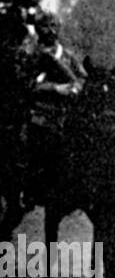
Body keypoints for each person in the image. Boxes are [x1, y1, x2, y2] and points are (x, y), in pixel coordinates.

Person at [19, 10, 86, 204]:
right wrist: (55, 89)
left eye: (54, 26)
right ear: (38, 29)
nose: (50, 30)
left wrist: (75, 89)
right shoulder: (30, 55)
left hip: (66, 113)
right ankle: (29, 191)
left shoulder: (67, 55)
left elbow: (82, 77)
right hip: (39, 113)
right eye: (45, 26)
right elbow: (25, 84)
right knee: (35, 150)